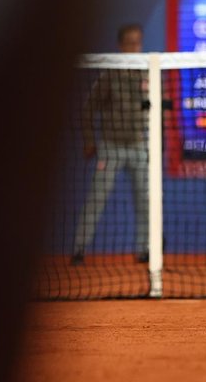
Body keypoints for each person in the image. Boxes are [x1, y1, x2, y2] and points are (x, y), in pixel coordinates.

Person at [70, 24, 150, 265]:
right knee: (96, 199)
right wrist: (89, 141)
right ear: (120, 45)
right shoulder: (108, 76)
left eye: (138, 42)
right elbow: (88, 109)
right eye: (130, 43)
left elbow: (157, 109)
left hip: (139, 147)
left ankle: (146, 250)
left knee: (146, 200)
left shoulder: (148, 72)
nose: (134, 47)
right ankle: (79, 249)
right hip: (111, 147)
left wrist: (157, 144)